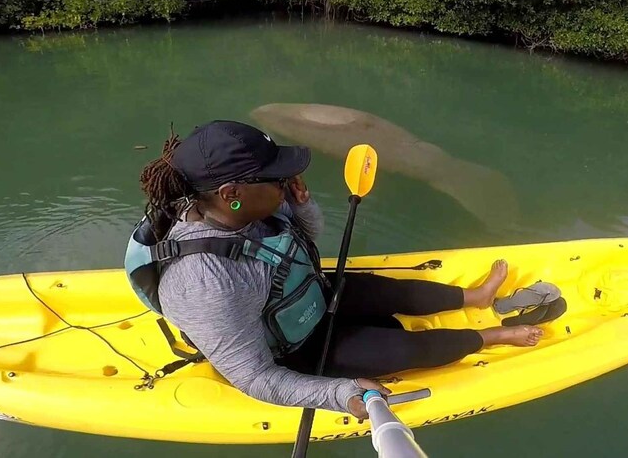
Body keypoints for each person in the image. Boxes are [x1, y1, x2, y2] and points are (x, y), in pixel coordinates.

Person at [133, 120, 545, 419]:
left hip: (306, 291)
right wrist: (338, 394)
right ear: (231, 193)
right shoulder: (204, 283)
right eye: (275, 177)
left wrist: (300, 204)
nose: (287, 179)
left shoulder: (243, 207)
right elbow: (255, 377)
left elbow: (306, 242)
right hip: (294, 349)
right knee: (405, 349)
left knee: (391, 292)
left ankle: (476, 297)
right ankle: (492, 335)